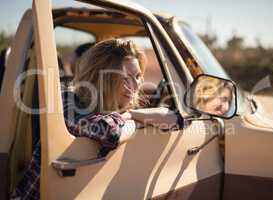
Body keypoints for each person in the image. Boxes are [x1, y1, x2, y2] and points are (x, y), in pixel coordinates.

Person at [15, 39, 181, 199]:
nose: (136, 85)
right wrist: (133, 119)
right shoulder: (68, 101)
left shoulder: (121, 110)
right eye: (125, 78)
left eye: (137, 76)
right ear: (101, 79)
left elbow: (173, 119)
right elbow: (111, 133)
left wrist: (130, 115)